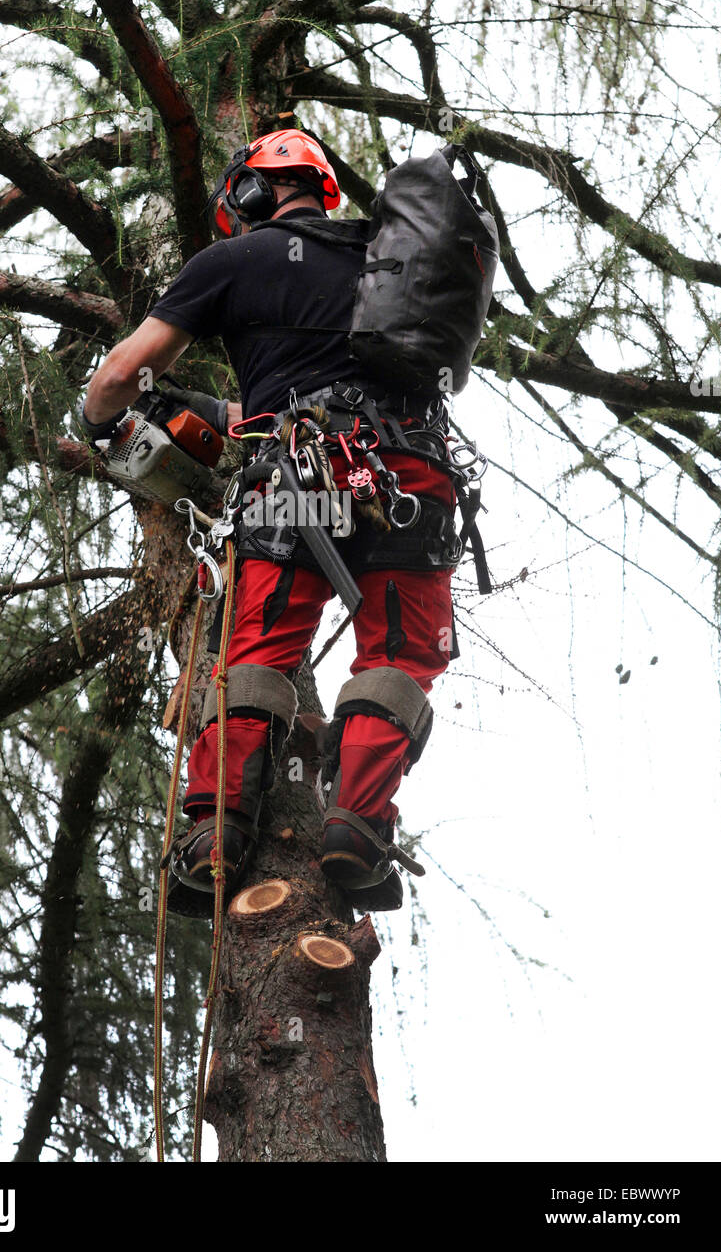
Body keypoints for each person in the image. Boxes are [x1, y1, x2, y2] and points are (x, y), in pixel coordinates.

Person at [79, 129, 460, 914]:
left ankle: (216, 830)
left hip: (297, 476)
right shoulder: (389, 264)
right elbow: (336, 378)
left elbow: (120, 374)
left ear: (251, 192)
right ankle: (357, 828)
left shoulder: (235, 261)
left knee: (258, 648)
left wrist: (95, 420)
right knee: (398, 654)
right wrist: (215, 412)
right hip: (407, 478)